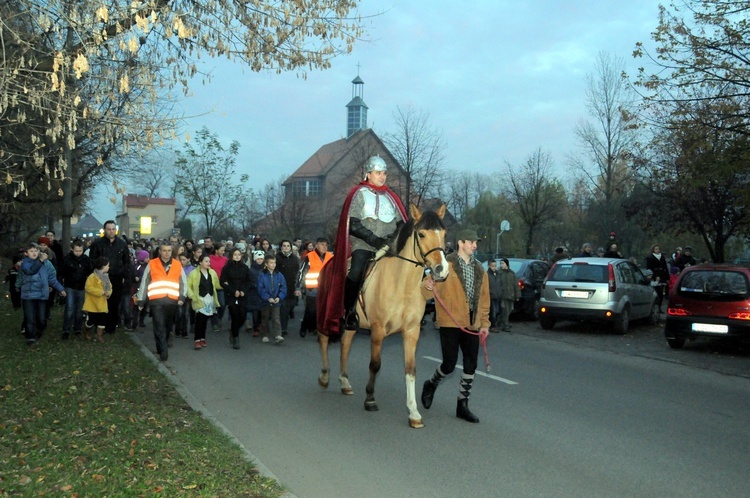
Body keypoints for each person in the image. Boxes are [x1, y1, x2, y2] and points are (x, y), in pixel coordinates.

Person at [320, 155, 408, 334]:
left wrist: (394, 238)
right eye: (378, 173)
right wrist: (374, 239)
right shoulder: (358, 194)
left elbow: (401, 224)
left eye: (384, 173)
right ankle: (349, 312)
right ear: (368, 174)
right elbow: (352, 224)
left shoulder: (392, 197)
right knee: (357, 270)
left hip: (389, 247)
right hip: (364, 245)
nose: (382, 176)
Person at [420, 229, 490, 423]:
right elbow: (426, 290)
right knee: (449, 364)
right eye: (471, 242)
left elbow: (485, 299)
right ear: (460, 243)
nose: (474, 245)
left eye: (476, 242)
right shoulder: (446, 263)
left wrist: (485, 323)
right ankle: (431, 384)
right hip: (450, 322)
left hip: (472, 324)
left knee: (471, 364)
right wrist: (427, 285)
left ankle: (462, 404)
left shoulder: (479, 269)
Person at [136, 242, 187, 361]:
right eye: (164, 250)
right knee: (158, 325)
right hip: (156, 300)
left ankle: (167, 335)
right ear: (160, 251)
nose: (166, 253)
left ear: (172, 251)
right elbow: (145, 281)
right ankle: (163, 350)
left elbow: (183, 282)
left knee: (168, 325)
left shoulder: (177, 264)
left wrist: (182, 297)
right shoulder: (152, 264)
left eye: (169, 250)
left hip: (172, 301)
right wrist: (141, 300)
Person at [88, 220, 133, 334]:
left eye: (113, 229)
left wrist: (124, 275)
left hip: (117, 277)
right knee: (99, 302)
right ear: (105, 230)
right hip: (101, 277)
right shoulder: (97, 243)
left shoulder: (122, 244)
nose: (111, 231)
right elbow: (92, 260)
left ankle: (111, 327)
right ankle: (98, 326)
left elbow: (127, 261)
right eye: (109, 229)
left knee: (114, 303)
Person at [20, 243, 67, 346]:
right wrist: (40, 261)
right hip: (29, 296)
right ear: (26, 253)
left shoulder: (46, 264)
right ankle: (30, 337)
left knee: (42, 318)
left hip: (42, 295)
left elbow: (51, 278)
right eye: (31, 251)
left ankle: (39, 330)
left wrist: (60, 289)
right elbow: (30, 271)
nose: (34, 253)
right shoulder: (25, 263)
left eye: (36, 251)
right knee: (30, 317)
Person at [295, 237, 333, 337]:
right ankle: (304, 327)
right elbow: (301, 272)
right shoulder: (309, 256)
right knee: (310, 310)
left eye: (326, 245)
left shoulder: (330, 256)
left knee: (322, 311)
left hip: (326, 289)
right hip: (312, 288)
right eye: (322, 244)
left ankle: (317, 328)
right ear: (316, 245)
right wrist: (298, 287)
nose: (324, 247)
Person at [187, 254, 221, 350]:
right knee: (200, 319)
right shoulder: (193, 273)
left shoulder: (212, 272)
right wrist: (192, 296)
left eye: (209, 261)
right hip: (199, 298)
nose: (208, 263)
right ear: (200, 262)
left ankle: (203, 338)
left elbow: (217, 284)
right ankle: (197, 339)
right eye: (206, 261)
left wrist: (225, 284)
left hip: (209, 299)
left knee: (205, 319)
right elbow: (188, 286)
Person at [60, 239, 92, 339]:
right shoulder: (67, 259)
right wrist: (62, 286)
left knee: (79, 310)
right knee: (69, 309)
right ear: (72, 249)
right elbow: (62, 272)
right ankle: (66, 329)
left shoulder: (86, 260)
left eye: (80, 251)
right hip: (70, 286)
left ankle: (77, 329)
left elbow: (90, 272)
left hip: (82, 287)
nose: (78, 253)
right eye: (76, 251)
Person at [221, 248, 252, 349]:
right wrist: (233, 291)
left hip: (243, 295)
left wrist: (244, 291)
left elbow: (249, 281)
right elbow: (223, 282)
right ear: (231, 256)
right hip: (231, 295)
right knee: (234, 315)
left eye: (239, 254)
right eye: (235, 254)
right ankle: (236, 338)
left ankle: (234, 330)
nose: (237, 256)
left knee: (242, 316)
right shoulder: (226, 268)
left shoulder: (245, 267)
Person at [258, 253, 287, 344]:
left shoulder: (279, 275)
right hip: (265, 301)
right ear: (266, 264)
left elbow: (283, 287)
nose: (273, 264)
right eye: (271, 263)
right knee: (265, 318)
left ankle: (278, 334)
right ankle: (265, 334)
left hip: (276, 301)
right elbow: (260, 288)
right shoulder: (262, 275)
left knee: (276, 318)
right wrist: (267, 297)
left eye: (274, 262)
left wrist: (280, 297)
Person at [83, 257, 112, 343]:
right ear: (102, 266)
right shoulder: (92, 276)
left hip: (102, 303)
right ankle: (86, 330)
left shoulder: (106, 277)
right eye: (107, 266)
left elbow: (110, 287)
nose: (109, 267)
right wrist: (101, 292)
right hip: (92, 303)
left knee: (102, 320)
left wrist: (108, 293)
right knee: (92, 319)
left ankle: (99, 336)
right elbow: (88, 288)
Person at [276, 239, 300, 336]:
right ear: (281, 247)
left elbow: (298, 273)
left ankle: (283, 325)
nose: (286, 248)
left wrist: (298, 286)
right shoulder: (277, 258)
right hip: (281, 286)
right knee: (283, 309)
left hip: (292, 286)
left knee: (291, 305)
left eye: (288, 246)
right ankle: (283, 328)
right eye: (284, 246)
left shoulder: (294, 258)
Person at [497, 258, 521, 333]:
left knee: (510, 309)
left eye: (503, 263)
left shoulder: (512, 273)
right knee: (505, 311)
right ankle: (505, 325)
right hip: (503, 295)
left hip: (511, 295)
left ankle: (500, 321)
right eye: (501, 264)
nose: (501, 265)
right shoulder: (499, 273)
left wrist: (517, 295)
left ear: (507, 264)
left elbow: (515, 285)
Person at [209, 243, 228, 332]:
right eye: (221, 250)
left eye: (224, 251)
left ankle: (219, 317)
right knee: (213, 304)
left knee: (222, 303)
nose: (223, 252)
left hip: (221, 284)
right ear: (216, 250)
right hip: (211, 284)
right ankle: (214, 322)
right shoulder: (209, 258)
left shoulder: (225, 259)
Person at [645, 244, 669, 308]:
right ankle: (654, 306)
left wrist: (667, 277)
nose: (657, 250)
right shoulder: (650, 257)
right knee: (657, 292)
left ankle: (659, 307)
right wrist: (654, 276)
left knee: (661, 293)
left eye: (658, 249)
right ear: (653, 250)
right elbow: (649, 268)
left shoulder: (662, 257)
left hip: (662, 275)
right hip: (654, 276)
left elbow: (665, 267)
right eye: (656, 249)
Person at [486, 260, 502, 332]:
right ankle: (492, 326)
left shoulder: (498, 274)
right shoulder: (487, 275)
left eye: (495, 266)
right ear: (489, 266)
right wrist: (490, 292)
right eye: (493, 266)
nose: (494, 267)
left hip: (498, 296)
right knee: (493, 312)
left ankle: (494, 324)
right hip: (491, 296)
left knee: (498, 311)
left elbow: (500, 284)